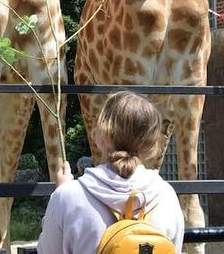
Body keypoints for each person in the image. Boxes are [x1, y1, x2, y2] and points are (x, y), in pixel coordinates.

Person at [37, 91, 185, 254]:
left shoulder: (69, 197)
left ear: (101, 135)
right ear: (151, 145)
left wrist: (61, 192)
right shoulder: (167, 196)